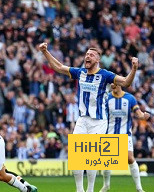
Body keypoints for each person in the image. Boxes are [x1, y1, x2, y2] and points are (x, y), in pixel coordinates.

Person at [39, 42, 138, 192]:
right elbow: (58, 67)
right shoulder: (80, 72)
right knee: (76, 155)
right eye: (86, 54)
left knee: (91, 157)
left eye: (91, 55)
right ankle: (80, 190)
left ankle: (90, 189)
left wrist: (134, 68)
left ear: (97, 59)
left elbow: (126, 82)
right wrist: (45, 52)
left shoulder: (105, 75)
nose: (87, 56)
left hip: (98, 121)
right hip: (82, 119)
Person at [100, 83, 149, 192]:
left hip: (125, 133)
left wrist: (143, 116)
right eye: (111, 83)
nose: (112, 85)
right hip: (110, 133)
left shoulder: (130, 98)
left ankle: (139, 188)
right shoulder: (107, 98)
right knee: (107, 161)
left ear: (119, 84)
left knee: (130, 158)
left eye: (114, 83)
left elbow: (138, 112)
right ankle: (106, 185)